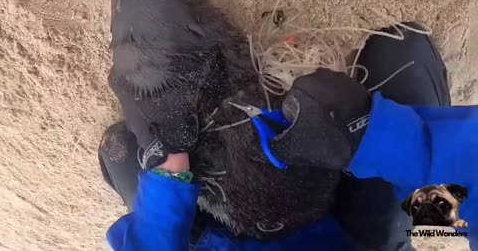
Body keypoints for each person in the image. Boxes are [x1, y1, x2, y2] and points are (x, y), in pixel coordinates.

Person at [99, 24, 478, 250]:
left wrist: (167, 188)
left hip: (218, 240)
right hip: (356, 242)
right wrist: (376, 133)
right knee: (404, 50)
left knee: (124, 152)